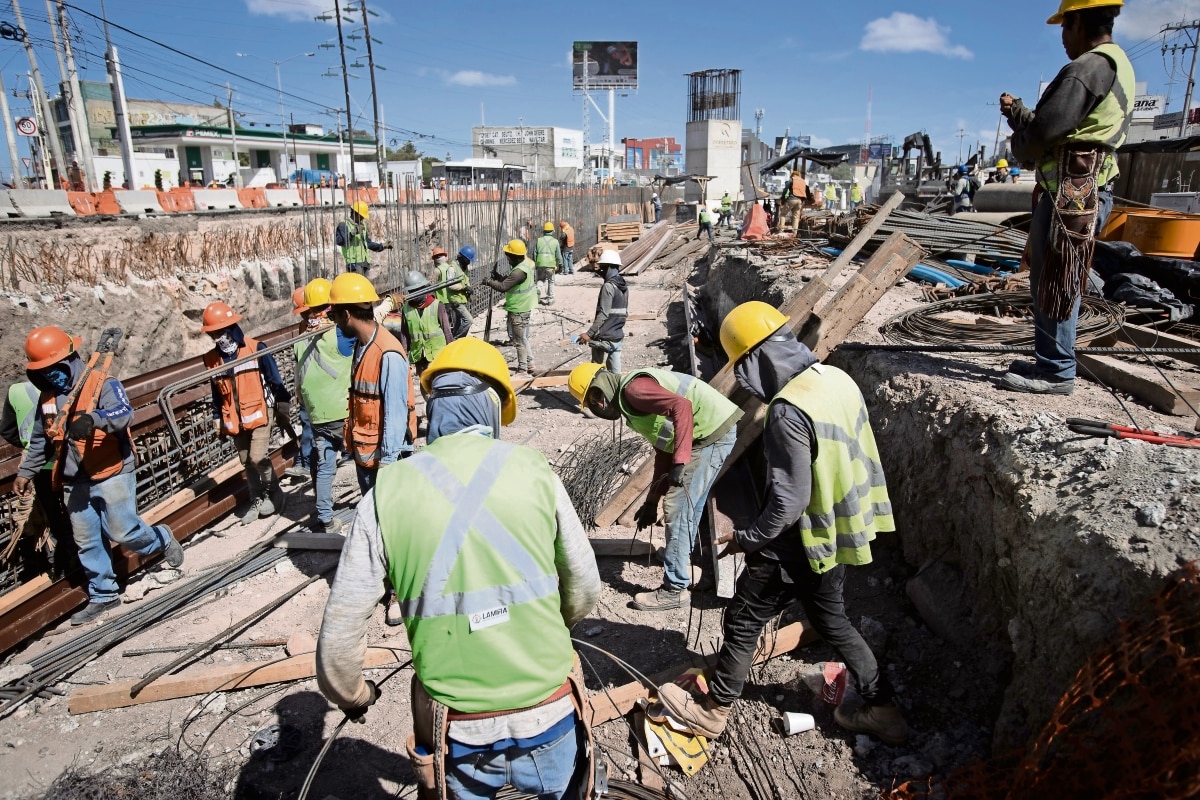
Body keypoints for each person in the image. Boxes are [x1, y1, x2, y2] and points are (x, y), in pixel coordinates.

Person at [315, 339, 601, 800]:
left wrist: (354, 694)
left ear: (435, 408)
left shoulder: (384, 495)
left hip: (457, 730)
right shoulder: (536, 471)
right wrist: (543, 623)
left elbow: (338, 641)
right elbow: (586, 588)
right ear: (492, 408)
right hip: (549, 714)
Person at [653, 301, 908, 745]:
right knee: (834, 623)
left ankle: (715, 710)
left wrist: (749, 538)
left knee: (745, 618)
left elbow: (788, 504)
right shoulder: (837, 380)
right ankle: (882, 707)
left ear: (755, 359)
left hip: (800, 538)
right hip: (839, 530)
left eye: (743, 367)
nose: (746, 381)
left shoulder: (787, 412)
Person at [999, 0, 1133, 395]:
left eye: (1064, 27)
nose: (1062, 37)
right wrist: (1020, 113)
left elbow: (1043, 135)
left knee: (1058, 278)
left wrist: (1019, 142)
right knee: (1049, 276)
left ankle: (1057, 370)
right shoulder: (1114, 63)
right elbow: (1057, 123)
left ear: (1077, 21)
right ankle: (1049, 359)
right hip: (1079, 191)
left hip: (1074, 194)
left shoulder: (1086, 68)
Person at [15, 327, 183, 625]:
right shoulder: (48, 398)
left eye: (53, 368)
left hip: (111, 469)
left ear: (68, 359)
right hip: (74, 478)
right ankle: (104, 593)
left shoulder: (103, 382)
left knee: (123, 531)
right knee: (87, 539)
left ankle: (160, 538)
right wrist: (26, 472)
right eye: (43, 370)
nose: (50, 375)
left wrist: (95, 419)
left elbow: (124, 412)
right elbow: (41, 438)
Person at [568, 363, 742, 610]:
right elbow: (664, 448)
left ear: (603, 384)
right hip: (707, 434)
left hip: (709, 436)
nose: (598, 405)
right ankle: (681, 562)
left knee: (679, 509)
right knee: (686, 508)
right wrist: (651, 501)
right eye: (593, 401)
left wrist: (680, 461)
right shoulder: (631, 402)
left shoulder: (633, 390)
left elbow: (683, 407)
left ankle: (675, 589)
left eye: (596, 396)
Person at [202, 302, 292, 524]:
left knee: (258, 456)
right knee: (246, 461)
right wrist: (217, 419)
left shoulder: (255, 348)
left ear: (231, 328)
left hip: (261, 412)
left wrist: (283, 408)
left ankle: (274, 492)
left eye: (219, 332)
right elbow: (217, 393)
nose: (216, 337)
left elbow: (275, 380)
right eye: (212, 334)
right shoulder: (212, 359)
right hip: (235, 419)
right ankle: (257, 498)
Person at [327, 272, 415, 496]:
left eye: (334, 316)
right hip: (366, 458)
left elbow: (396, 413)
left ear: (346, 314)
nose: (334, 322)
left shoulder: (387, 353)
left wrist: (388, 466)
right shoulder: (363, 344)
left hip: (382, 464)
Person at [293, 278, 354, 535]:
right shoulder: (339, 334)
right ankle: (375, 508)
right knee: (364, 458)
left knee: (325, 466)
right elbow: (367, 328)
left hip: (317, 414)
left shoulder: (298, 340)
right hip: (344, 412)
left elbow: (298, 383)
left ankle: (326, 519)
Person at [2, 379, 74, 578]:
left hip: (37, 465)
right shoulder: (64, 384)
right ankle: (79, 557)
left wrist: (28, 444)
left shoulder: (15, 390)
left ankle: (62, 566)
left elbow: (7, 430)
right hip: (66, 459)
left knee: (53, 517)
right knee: (75, 510)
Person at [485, 240, 537, 375]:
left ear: (513, 256)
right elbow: (508, 281)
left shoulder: (518, 272)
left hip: (519, 309)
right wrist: (497, 277)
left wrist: (489, 282)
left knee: (518, 341)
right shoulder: (524, 265)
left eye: (508, 256)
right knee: (523, 338)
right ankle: (530, 363)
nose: (507, 259)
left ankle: (522, 369)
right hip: (523, 306)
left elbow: (503, 287)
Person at [577, 250, 628, 373]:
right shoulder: (623, 285)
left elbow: (604, 314)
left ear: (610, 267)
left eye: (603, 267)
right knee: (615, 375)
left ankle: (597, 391)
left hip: (604, 336)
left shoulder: (608, 286)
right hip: (617, 335)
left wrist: (589, 334)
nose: (601, 270)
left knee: (596, 370)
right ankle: (615, 391)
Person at [397, 270, 454, 375]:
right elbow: (404, 333)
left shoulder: (437, 305)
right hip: (418, 355)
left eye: (417, 290)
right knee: (423, 382)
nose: (414, 294)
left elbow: (447, 330)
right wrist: (404, 353)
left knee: (435, 382)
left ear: (423, 288)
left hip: (436, 354)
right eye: (411, 291)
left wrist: (452, 352)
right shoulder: (406, 308)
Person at [286, 287, 314, 481]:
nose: (304, 315)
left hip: (328, 385)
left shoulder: (331, 325)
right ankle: (304, 462)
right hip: (308, 385)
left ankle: (347, 454)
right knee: (307, 423)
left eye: (306, 311)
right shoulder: (303, 328)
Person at [335, 201, 392, 278]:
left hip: (365, 263)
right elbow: (340, 241)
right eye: (361, 216)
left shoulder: (362, 225)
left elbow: (367, 243)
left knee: (365, 288)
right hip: (353, 263)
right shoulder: (344, 225)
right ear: (354, 213)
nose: (362, 218)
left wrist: (383, 246)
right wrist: (352, 234)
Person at [434, 246, 474, 339]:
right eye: (468, 260)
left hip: (461, 299)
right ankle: (455, 339)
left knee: (458, 323)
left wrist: (469, 290)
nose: (469, 262)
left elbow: (465, 280)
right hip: (454, 300)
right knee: (468, 320)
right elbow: (450, 284)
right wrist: (464, 288)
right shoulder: (452, 268)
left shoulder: (463, 267)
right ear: (462, 258)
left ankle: (454, 340)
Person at [532, 221, 563, 306]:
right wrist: (560, 264)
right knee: (551, 281)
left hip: (540, 263)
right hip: (550, 265)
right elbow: (558, 256)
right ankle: (550, 299)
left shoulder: (539, 240)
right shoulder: (555, 241)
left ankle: (538, 290)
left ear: (544, 231)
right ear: (552, 231)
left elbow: (534, 253)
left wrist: (536, 262)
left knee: (540, 279)